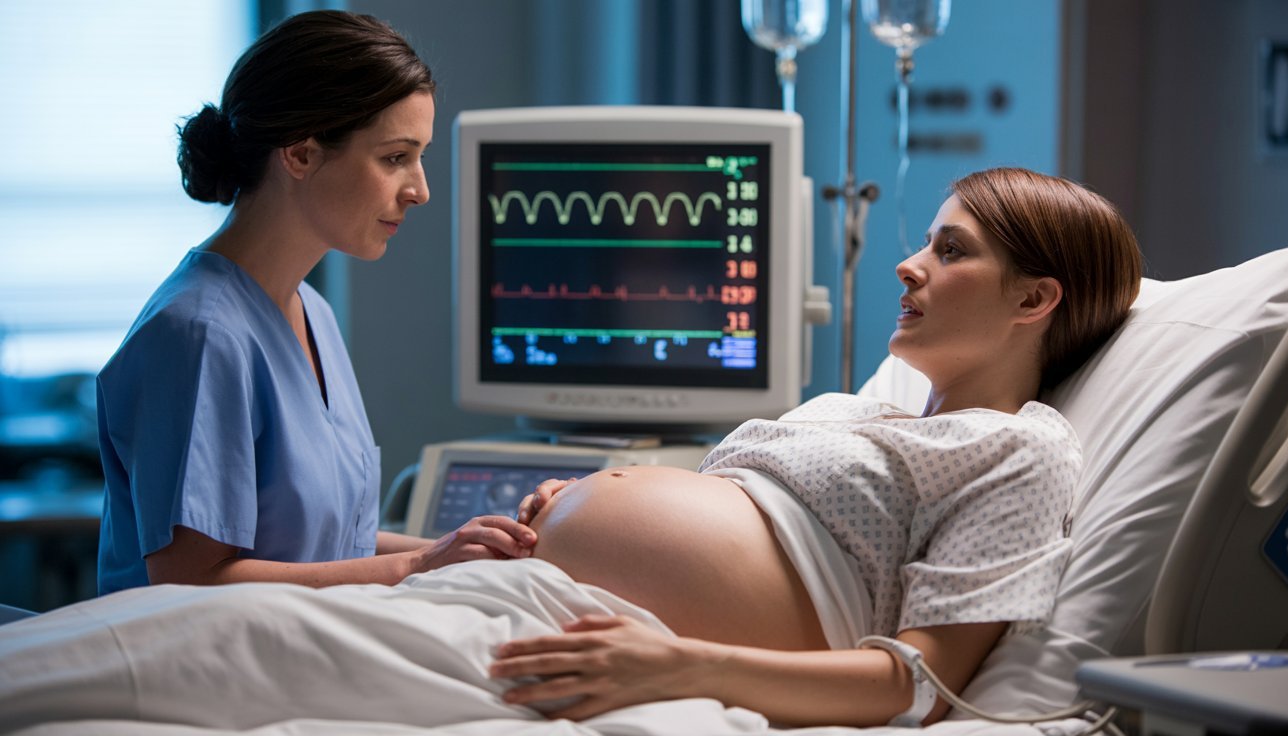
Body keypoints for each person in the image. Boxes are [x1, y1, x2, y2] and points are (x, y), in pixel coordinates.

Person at [491, 167, 1143, 727]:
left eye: (950, 251)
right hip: (537, 588)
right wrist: (570, 506)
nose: (908, 265)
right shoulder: (852, 413)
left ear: (1033, 298)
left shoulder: (1019, 445)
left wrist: (679, 667)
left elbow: (920, 685)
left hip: (615, 644)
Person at [95, 10, 537, 595]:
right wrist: (415, 566)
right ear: (299, 154)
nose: (420, 190)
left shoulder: (311, 314)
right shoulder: (200, 334)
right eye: (394, 157)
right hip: (199, 670)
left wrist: (479, 548)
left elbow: (330, 550)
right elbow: (190, 582)